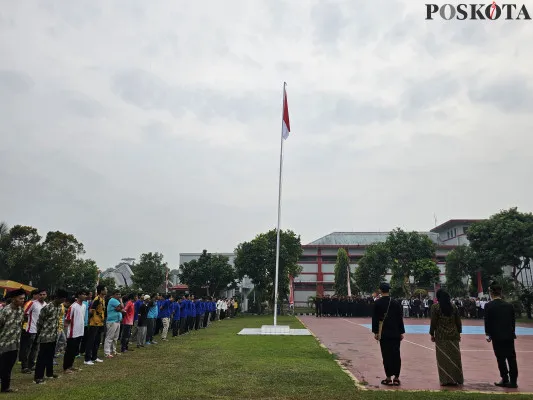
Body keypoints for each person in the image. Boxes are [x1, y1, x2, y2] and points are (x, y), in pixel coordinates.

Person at [485, 282, 518, 388]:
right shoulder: (509, 306)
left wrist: (488, 334)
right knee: (511, 358)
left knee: (500, 358)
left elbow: (487, 321)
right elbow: (513, 322)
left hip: (496, 336)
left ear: (491, 293)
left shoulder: (488, 305)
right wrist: (512, 332)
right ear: (501, 292)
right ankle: (513, 381)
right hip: (508, 335)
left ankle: (505, 378)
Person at [371, 282, 404, 386]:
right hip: (395, 333)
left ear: (380, 290)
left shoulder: (377, 303)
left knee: (386, 355)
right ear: (389, 290)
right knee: (396, 354)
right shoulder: (395, 302)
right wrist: (401, 332)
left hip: (384, 333)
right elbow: (400, 318)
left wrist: (376, 332)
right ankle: (397, 378)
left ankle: (388, 378)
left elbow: (375, 319)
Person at [429, 289, 464, 386]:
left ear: (438, 297)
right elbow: (458, 322)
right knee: (455, 358)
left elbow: (433, 322)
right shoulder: (454, 307)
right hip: (453, 335)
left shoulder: (435, 307)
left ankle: (445, 380)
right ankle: (457, 379)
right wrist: (459, 333)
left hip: (441, 336)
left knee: (443, 358)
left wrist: (432, 333)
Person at [34, 289, 68, 384]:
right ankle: (38, 377)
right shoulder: (48, 307)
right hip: (45, 335)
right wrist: (40, 333)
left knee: (50, 356)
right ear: (57, 297)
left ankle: (49, 373)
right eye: (62, 299)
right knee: (42, 357)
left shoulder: (59, 307)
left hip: (54, 335)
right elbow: (40, 322)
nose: (63, 301)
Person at [0, 289, 26, 393]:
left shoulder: (21, 310)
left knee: (9, 366)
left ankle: (5, 387)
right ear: (14, 299)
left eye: (24, 298)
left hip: (15, 343)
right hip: (4, 343)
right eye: (21, 298)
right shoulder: (5, 311)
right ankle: (5, 387)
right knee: (3, 366)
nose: (23, 300)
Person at [64, 291, 87, 373]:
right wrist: (66, 330)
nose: (85, 296)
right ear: (78, 295)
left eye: (85, 294)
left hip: (80, 331)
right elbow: (67, 319)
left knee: (74, 351)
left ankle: (71, 366)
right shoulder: (73, 306)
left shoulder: (84, 306)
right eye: (83, 294)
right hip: (72, 332)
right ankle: (66, 367)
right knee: (69, 350)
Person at [84, 285, 106, 365]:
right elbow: (91, 310)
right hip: (94, 323)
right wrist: (91, 320)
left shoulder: (102, 299)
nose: (106, 290)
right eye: (105, 289)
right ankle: (87, 359)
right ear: (101, 291)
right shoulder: (97, 299)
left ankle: (94, 356)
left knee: (97, 341)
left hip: (100, 323)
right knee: (91, 341)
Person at [104, 290, 123, 357]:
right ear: (113, 295)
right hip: (112, 321)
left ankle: (113, 351)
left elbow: (119, 308)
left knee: (115, 337)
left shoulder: (116, 301)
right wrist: (121, 301)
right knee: (109, 337)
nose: (119, 296)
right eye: (117, 294)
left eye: (119, 294)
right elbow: (122, 307)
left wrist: (119, 308)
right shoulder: (113, 300)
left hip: (117, 321)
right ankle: (107, 352)